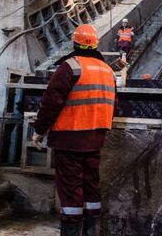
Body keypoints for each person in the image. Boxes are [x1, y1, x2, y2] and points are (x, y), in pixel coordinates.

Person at [30, 24, 116, 236]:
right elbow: (113, 105)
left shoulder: (70, 67)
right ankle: (92, 231)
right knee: (91, 186)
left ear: (75, 43)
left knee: (71, 190)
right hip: (95, 139)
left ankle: (71, 230)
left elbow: (51, 102)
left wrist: (39, 129)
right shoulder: (108, 71)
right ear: (95, 44)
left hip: (70, 138)